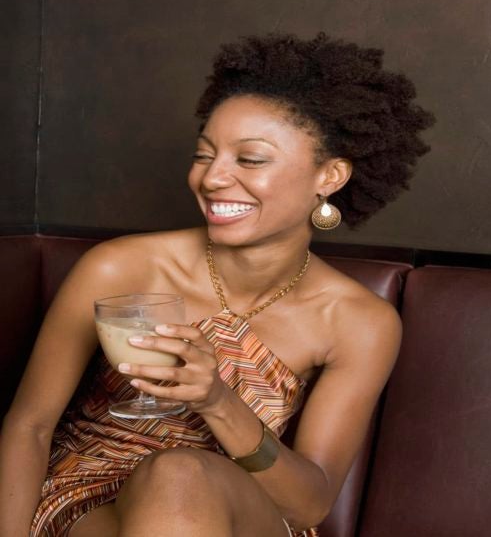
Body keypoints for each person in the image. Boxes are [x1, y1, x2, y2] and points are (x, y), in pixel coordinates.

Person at [0, 32, 434, 536]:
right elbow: (30, 427)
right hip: (91, 500)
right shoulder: (120, 268)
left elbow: (309, 505)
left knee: (181, 473)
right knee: (175, 478)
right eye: (204, 155)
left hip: (244, 513)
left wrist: (217, 401)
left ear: (330, 176)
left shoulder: (358, 321)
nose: (211, 179)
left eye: (250, 159)